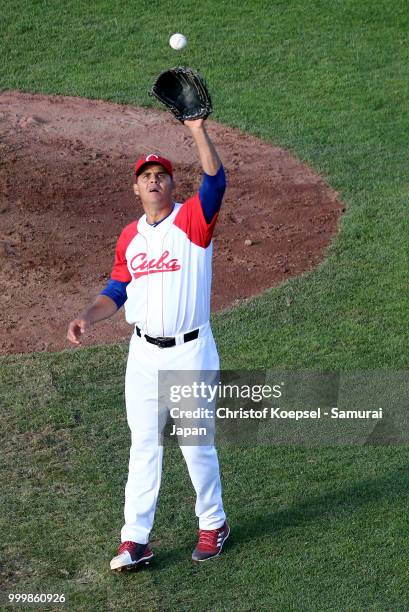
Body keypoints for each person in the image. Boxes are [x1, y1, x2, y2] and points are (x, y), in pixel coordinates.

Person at [67, 117, 229, 569]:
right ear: (136, 189)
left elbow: (216, 180)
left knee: (195, 444)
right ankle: (135, 539)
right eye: (145, 176)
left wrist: (196, 128)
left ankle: (213, 523)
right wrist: (87, 317)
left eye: (161, 175)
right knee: (144, 445)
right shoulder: (130, 237)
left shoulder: (193, 221)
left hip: (189, 351)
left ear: (173, 186)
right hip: (142, 356)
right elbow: (116, 290)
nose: (153, 180)